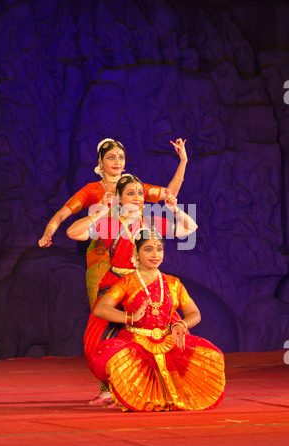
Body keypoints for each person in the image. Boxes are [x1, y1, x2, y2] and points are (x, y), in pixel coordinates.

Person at [66, 174, 197, 404]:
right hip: (116, 283)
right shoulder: (110, 223)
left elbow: (189, 228)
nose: (137, 197)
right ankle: (108, 388)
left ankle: (154, 386)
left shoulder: (152, 222)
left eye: (139, 193)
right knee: (100, 338)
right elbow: (73, 233)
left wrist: (174, 209)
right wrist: (102, 212)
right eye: (130, 193)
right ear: (119, 196)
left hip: (147, 284)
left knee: (157, 335)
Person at [38, 138, 189, 308]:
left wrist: (183, 161)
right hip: (102, 259)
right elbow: (61, 214)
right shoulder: (91, 190)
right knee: (106, 316)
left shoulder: (134, 187)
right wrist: (47, 233)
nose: (117, 162)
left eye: (121, 157)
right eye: (111, 157)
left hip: (136, 257)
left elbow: (170, 194)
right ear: (100, 162)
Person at [87, 228, 225, 412]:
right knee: (111, 359)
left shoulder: (173, 283)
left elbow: (194, 313)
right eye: (148, 249)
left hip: (168, 344)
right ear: (136, 253)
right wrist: (130, 317)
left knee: (212, 356)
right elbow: (100, 308)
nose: (155, 254)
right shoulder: (127, 282)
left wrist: (180, 324)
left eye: (159, 249)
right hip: (136, 344)